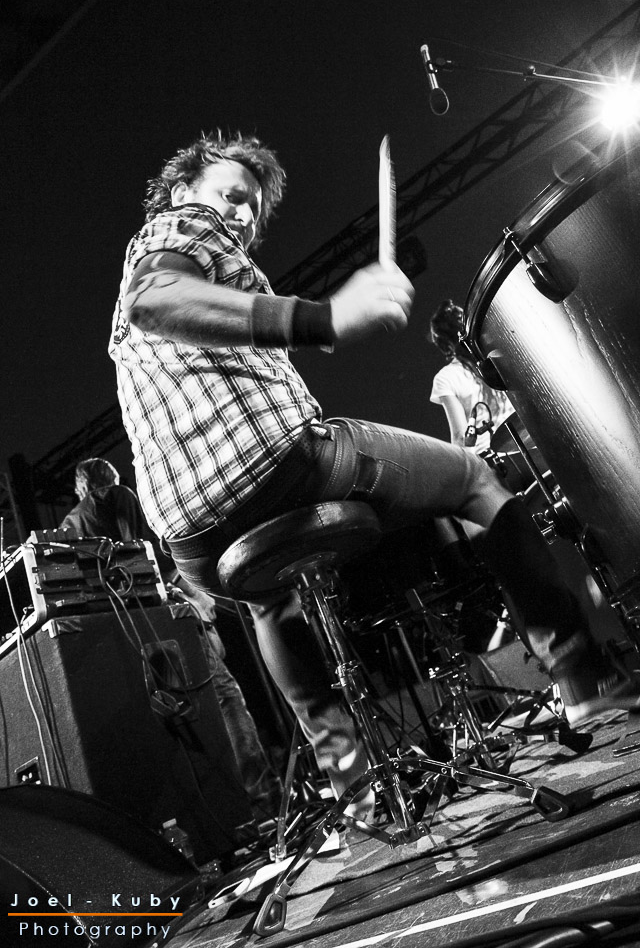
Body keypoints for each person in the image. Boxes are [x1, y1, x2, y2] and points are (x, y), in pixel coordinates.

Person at [108, 132, 639, 824]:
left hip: (191, 540)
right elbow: (155, 297)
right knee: (477, 482)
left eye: (251, 209)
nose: (240, 214)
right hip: (280, 466)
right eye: (231, 195)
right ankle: (582, 678)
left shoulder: (184, 280)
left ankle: (355, 786)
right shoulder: (178, 229)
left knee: (271, 605)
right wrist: (324, 317)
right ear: (184, 191)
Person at [61, 457, 281, 819]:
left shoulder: (70, 524)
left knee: (179, 721)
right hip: (164, 622)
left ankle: (222, 815)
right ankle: (264, 806)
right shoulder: (118, 496)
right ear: (110, 478)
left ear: (79, 485)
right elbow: (146, 558)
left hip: (121, 638)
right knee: (224, 698)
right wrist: (196, 595)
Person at [428, 300, 515, 451]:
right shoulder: (496, 353)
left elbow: (460, 437)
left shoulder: (446, 377)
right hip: (524, 437)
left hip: (489, 456)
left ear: (444, 344)